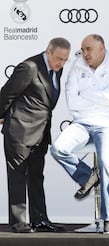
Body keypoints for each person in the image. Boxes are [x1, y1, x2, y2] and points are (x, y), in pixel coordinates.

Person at [50, 34, 109, 235]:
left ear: (101, 48)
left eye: (88, 49)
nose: (84, 53)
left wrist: (85, 95)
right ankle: (88, 177)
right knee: (58, 149)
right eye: (82, 49)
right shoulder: (76, 66)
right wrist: (95, 98)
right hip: (82, 123)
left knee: (107, 163)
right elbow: (72, 103)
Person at [0, 38, 71, 232]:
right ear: (48, 52)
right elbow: (7, 93)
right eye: (58, 59)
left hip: (40, 133)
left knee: (37, 176)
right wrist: (1, 115)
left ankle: (40, 220)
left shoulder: (57, 70)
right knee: (17, 176)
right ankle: (19, 222)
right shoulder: (30, 67)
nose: (61, 64)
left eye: (65, 60)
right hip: (19, 130)